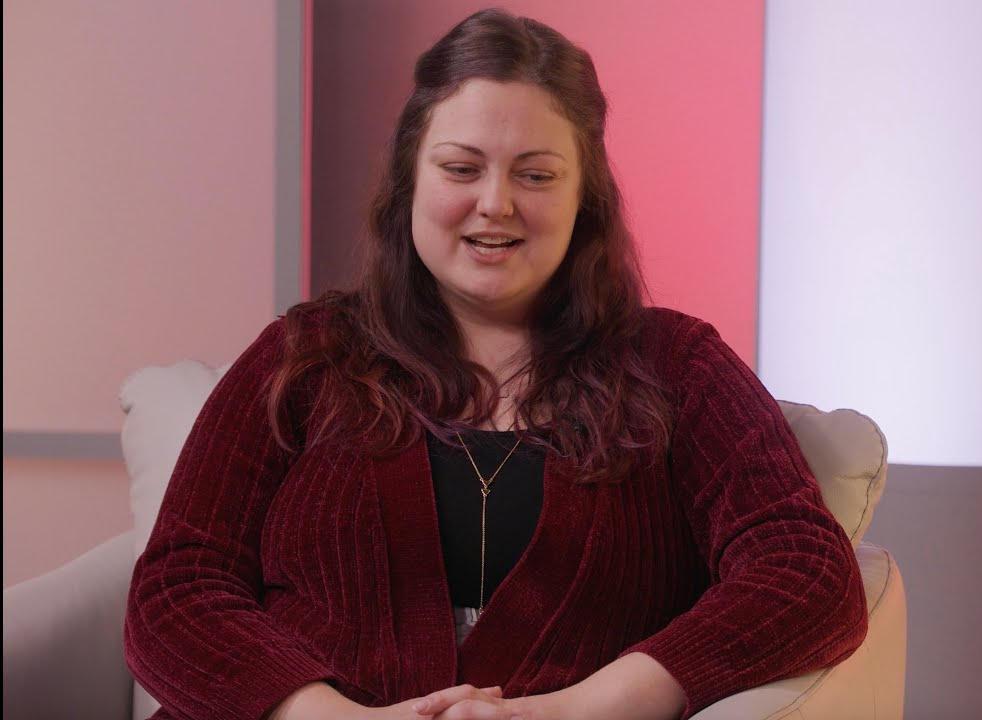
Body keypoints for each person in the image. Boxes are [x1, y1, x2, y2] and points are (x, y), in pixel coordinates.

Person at [124, 8, 867, 720]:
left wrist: (583, 709)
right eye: (461, 168)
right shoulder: (305, 355)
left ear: (585, 196)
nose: (495, 204)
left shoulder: (680, 368)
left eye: (536, 176)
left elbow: (806, 574)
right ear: (411, 180)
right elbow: (175, 591)